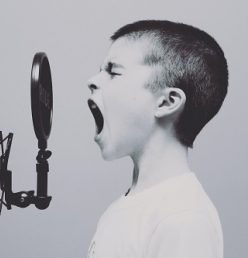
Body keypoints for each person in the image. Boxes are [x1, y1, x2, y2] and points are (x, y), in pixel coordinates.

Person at [86, 20, 228, 258]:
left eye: (113, 71)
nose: (92, 80)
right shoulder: (122, 209)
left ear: (167, 102)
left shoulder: (183, 219)